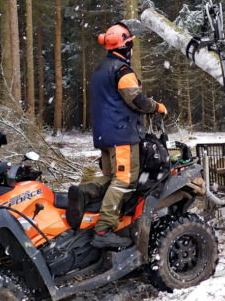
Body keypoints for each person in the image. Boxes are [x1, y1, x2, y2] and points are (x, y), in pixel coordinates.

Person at [67, 20, 166, 249]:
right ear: (126, 47)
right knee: (124, 180)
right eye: (130, 44)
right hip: (122, 135)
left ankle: (84, 193)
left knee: (111, 177)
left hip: (104, 135)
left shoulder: (100, 70)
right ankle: (104, 229)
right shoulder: (122, 71)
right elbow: (137, 100)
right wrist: (158, 107)